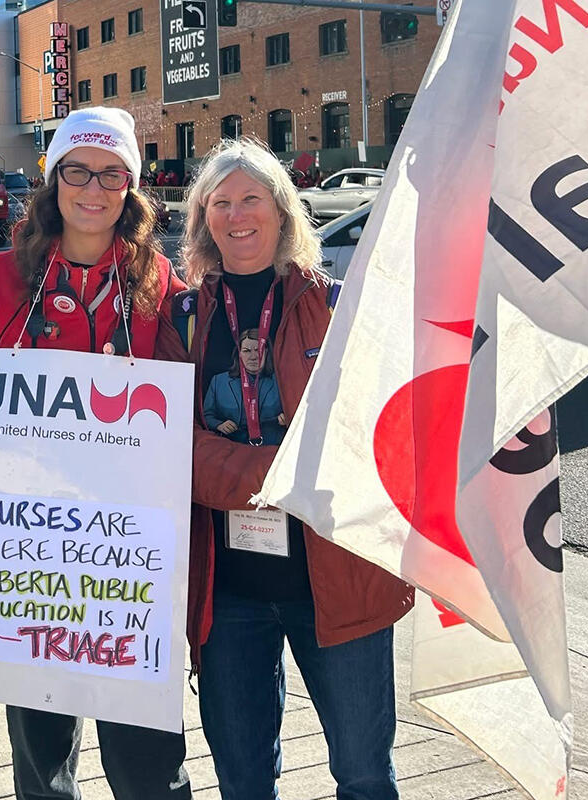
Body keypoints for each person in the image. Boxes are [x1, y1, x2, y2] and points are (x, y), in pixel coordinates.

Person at [0, 106, 192, 800]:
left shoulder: (162, 285)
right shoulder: (0, 280)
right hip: (32, 558)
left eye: (111, 174)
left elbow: (186, 404)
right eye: (77, 171)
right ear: (53, 178)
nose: (93, 189)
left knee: (150, 767)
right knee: (42, 764)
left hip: (127, 558)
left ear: (131, 185)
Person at [156, 138, 414, 800]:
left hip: (339, 579)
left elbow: (368, 438)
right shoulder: (180, 319)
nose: (237, 215)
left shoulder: (336, 307)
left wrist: (238, 468)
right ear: (204, 219)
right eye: (220, 203)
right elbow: (165, 447)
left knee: (363, 776)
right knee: (242, 782)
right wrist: (286, 470)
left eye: (252, 199)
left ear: (281, 209)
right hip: (228, 593)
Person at [203, 328, 285, 445]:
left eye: (258, 350)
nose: (253, 356)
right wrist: (219, 425)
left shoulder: (281, 381)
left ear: (267, 351)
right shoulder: (219, 381)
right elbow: (206, 415)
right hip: (231, 448)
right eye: (246, 351)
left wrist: (287, 418)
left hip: (271, 448)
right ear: (239, 354)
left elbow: (295, 412)